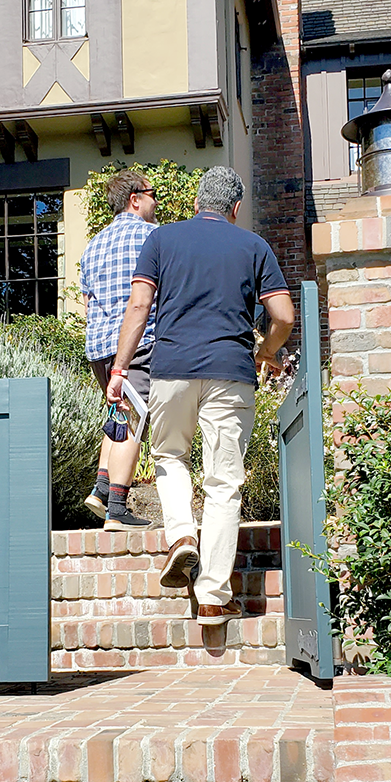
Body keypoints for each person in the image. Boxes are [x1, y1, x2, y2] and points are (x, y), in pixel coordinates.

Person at [105, 165, 294, 619]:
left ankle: (183, 536)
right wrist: (266, 350)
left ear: (194, 204)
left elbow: (138, 306)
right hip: (231, 372)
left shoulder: (161, 240)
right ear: (234, 208)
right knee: (224, 482)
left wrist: (120, 368)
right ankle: (212, 597)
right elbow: (284, 316)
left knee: (170, 457)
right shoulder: (254, 246)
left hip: (172, 370)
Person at [80, 169, 158, 529]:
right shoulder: (153, 237)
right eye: (153, 194)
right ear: (135, 198)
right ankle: (117, 508)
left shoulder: (92, 245)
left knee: (118, 416)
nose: (156, 202)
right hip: (136, 341)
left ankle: (100, 488)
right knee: (133, 419)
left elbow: (86, 303)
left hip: (99, 348)